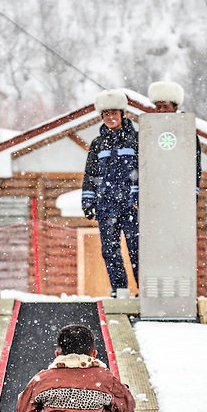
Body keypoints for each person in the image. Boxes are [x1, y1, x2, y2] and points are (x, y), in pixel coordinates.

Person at [16, 324, 135, 412]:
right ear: (94, 354)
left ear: (57, 355)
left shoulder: (42, 379)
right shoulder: (105, 378)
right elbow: (128, 408)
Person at [82, 89, 139, 297]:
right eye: (106, 114)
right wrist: (88, 201)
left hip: (131, 205)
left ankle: (144, 290)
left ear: (123, 114)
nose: (110, 118)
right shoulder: (98, 144)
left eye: (114, 113)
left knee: (137, 249)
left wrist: (138, 196)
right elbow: (91, 173)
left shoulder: (136, 140)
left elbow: (144, 171)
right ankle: (120, 290)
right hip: (106, 206)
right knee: (110, 251)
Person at [148, 81, 202, 197]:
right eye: (158, 107)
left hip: (179, 189)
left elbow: (195, 165)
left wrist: (194, 190)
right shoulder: (149, 132)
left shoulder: (187, 132)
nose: (161, 110)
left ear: (175, 108)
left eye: (165, 106)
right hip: (155, 190)